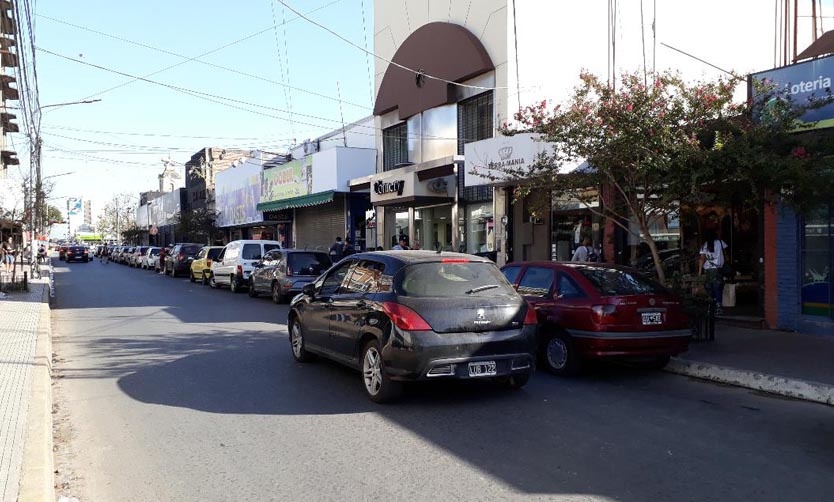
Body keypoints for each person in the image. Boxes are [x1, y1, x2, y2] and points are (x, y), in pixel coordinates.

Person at [698, 229, 729, 313]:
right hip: (718, 269)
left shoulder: (704, 245)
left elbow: (702, 258)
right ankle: (718, 306)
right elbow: (726, 255)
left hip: (708, 270)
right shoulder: (720, 242)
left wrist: (699, 272)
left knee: (709, 288)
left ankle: (711, 306)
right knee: (718, 288)